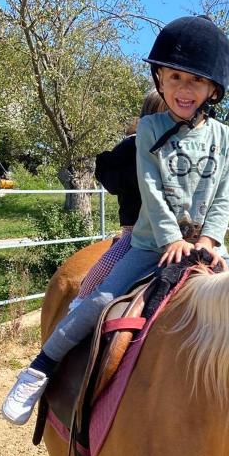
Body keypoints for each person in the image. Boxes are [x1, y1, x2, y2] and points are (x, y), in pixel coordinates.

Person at [1, 14, 229, 425]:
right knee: (100, 299)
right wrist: (170, 240)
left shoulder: (226, 138)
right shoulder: (149, 128)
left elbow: (224, 195)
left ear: (212, 89)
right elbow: (151, 187)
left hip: (204, 246)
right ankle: (40, 368)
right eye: (176, 77)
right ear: (160, 79)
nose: (185, 89)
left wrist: (211, 240)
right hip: (150, 245)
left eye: (195, 81)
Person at [70, 89, 168, 306]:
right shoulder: (131, 147)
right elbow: (113, 182)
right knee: (108, 264)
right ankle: (79, 303)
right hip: (137, 233)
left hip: (180, 234)